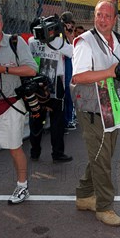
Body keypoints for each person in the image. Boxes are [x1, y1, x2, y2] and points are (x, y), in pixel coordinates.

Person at [71, 0, 120, 227]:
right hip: (92, 109)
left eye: (107, 16)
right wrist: (109, 72)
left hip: (112, 105)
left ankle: (84, 196)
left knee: (101, 155)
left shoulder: (118, 40)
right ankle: (104, 206)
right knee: (102, 159)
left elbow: (116, 71)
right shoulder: (84, 42)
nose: (102, 19)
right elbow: (78, 77)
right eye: (98, 15)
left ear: (115, 19)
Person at [0, 5, 38, 203]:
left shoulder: (15, 42)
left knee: (14, 147)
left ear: (2, 22)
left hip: (11, 104)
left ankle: (22, 186)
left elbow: (31, 70)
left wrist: (3, 69)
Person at [28, 18, 73, 162]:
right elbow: (73, 52)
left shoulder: (31, 41)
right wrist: (64, 35)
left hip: (36, 86)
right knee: (56, 121)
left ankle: (35, 152)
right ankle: (57, 153)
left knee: (36, 119)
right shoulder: (58, 42)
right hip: (55, 86)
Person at [60, 11, 77, 130]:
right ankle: (65, 120)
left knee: (69, 91)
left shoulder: (69, 35)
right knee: (64, 92)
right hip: (61, 65)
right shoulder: (58, 35)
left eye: (70, 23)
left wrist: (69, 34)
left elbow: (73, 48)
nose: (69, 26)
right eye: (66, 23)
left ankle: (69, 118)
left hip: (68, 63)